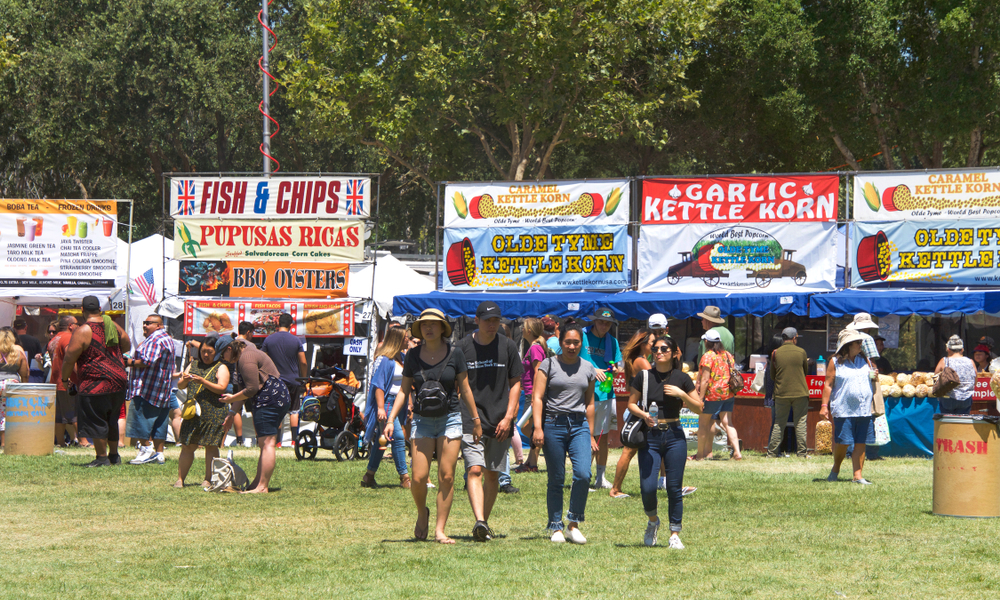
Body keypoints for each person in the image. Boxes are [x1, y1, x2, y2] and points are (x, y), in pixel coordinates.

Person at [384, 308, 481, 544]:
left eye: (434, 324)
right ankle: (422, 513)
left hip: (450, 418)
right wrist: (389, 419)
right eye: (424, 325)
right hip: (422, 420)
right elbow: (404, 390)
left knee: (447, 476)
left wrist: (476, 420)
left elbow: (465, 388)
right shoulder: (413, 355)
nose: (428, 328)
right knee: (418, 477)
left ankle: (440, 529)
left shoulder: (456, 354)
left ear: (442, 329)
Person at [628, 335, 702, 548]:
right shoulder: (643, 376)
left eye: (663, 349)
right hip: (650, 436)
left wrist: (682, 395)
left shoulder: (682, 378)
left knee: (673, 487)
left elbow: (699, 407)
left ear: (674, 353)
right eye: (655, 348)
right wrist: (643, 416)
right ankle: (653, 522)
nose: (658, 352)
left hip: (674, 435)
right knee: (648, 487)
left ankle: (674, 534)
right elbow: (631, 404)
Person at [458, 301, 523, 541]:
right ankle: (480, 521)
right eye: (487, 320)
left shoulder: (508, 346)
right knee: (474, 469)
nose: (492, 324)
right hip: (470, 417)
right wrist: (471, 416)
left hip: (500, 420)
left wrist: (509, 416)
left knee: (493, 474)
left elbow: (515, 382)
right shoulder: (463, 346)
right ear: (476, 320)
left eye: (496, 320)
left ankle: (481, 524)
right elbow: (460, 384)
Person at [532, 325, 598, 544]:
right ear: (560, 342)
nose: (571, 346)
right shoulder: (548, 365)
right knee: (557, 478)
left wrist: (590, 434)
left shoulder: (588, 367)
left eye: (576, 343)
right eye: (568, 342)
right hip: (553, 424)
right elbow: (538, 398)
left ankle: (573, 524)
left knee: (583, 474)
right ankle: (556, 527)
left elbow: (589, 403)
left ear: (582, 344)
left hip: (579, 425)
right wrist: (538, 427)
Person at [60, 296, 130, 467]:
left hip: (95, 382)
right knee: (112, 418)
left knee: (96, 419)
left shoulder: (83, 330)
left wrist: (64, 379)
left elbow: (69, 359)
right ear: (99, 308)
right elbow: (127, 346)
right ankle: (114, 456)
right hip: (119, 381)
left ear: (82, 310)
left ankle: (101, 458)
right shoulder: (113, 326)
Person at [220, 339, 291, 493]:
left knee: (267, 443)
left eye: (223, 353)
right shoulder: (245, 355)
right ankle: (257, 484)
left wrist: (231, 399)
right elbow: (243, 392)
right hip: (276, 398)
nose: (223, 358)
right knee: (264, 443)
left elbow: (251, 389)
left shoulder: (246, 358)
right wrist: (231, 413)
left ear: (230, 348)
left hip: (269, 399)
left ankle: (262, 487)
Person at [820, 329, 876, 484]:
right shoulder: (835, 362)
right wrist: (824, 406)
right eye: (858, 342)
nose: (861, 345)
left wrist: (874, 375)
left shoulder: (865, 360)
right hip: (843, 408)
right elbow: (828, 385)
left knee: (860, 442)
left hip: (863, 408)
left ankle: (857, 476)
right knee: (843, 442)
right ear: (848, 345)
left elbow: (871, 377)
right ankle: (836, 468)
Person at [174, 337, 231, 488]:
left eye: (209, 352)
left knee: (211, 446)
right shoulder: (193, 364)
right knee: (187, 446)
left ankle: (208, 479)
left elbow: (222, 387)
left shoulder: (221, 367)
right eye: (203, 351)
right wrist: (185, 380)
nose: (206, 355)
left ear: (216, 352)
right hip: (193, 412)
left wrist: (203, 381)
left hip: (214, 412)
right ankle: (180, 479)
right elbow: (180, 385)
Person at [361, 326, 410, 489]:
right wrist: (380, 408)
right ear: (397, 339)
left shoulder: (403, 357)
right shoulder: (385, 359)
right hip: (387, 403)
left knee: (383, 441)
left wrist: (409, 403)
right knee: (397, 436)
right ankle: (405, 478)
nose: (408, 340)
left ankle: (369, 476)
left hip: (400, 403)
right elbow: (378, 385)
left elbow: (406, 383)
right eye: (405, 338)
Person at [579, 307, 622, 490]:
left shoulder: (612, 341)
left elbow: (616, 363)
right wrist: (592, 369)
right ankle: (582, 477)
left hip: (605, 392)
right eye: (601, 321)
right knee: (584, 437)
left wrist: (615, 369)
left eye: (608, 323)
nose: (604, 326)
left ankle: (601, 478)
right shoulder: (581, 336)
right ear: (594, 321)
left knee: (602, 437)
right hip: (584, 393)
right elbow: (569, 359)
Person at [125, 314, 176, 465]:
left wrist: (129, 362)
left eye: (149, 323)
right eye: (144, 323)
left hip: (147, 388)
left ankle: (145, 450)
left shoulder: (155, 339)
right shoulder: (167, 339)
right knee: (160, 423)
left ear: (159, 325)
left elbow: (147, 361)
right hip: (163, 389)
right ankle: (159, 453)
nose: (145, 326)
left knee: (140, 419)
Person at [609, 327, 654, 498]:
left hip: (639, 411)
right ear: (643, 344)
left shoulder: (633, 360)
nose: (656, 347)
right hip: (639, 413)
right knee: (628, 451)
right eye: (652, 343)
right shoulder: (642, 362)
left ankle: (664, 483)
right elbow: (656, 381)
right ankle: (615, 489)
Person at [695, 329, 742, 460]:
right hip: (728, 393)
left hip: (712, 395)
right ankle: (737, 452)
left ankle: (700, 455)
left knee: (703, 423)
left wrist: (700, 398)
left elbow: (705, 379)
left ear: (706, 342)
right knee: (728, 423)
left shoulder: (707, 356)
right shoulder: (728, 355)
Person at [260, 314, 307, 446]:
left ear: (277, 324)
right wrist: (303, 379)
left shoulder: (268, 340)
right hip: (294, 380)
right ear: (291, 325)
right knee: (294, 410)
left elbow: (262, 360)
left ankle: (278, 442)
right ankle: (294, 441)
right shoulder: (296, 340)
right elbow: (303, 362)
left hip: (276, 381)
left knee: (278, 410)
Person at [766, 327, 810, 458]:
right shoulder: (801, 352)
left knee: (779, 423)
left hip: (781, 393)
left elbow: (773, 376)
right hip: (800, 392)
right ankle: (802, 453)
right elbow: (805, 371)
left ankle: (772, 453)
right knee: (800, 423)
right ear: (795, 338)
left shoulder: (776, 353)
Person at [514, 318, 548, 474]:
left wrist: (536, 395)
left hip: (532, 393)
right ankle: (531, 461)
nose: (521, 329)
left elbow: (538, 372)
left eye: (524, 327)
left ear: (529, 330)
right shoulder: (534, 347)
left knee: (528, 427)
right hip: (529, 392)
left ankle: (538, 455)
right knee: (531, 428)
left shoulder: (535, 348)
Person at [49, 316, 79, 447]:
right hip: (68, 381)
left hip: (56, 382)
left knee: (60, 416)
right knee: (75, 414)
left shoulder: (54, 340)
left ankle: (61, 442)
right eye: (77, 324)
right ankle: (83, 441)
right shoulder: (68, 338)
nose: (78, 327)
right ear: (71, 326)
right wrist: (81, 375)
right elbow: (70, 357)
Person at [0, 327, 29, 447]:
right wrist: (24, 388)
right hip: (11, 385)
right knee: (6, 413)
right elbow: (25, 374)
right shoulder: (18, 353)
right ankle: (4, 443)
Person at [935, 335, 976, 415]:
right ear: (962, 349)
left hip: (948, 398)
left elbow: (935, 378)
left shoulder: (944, 361)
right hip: (966, 399)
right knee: (962, 424)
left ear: (948, 349)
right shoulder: (970, 362)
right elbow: (975, 381)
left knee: (948, 424)